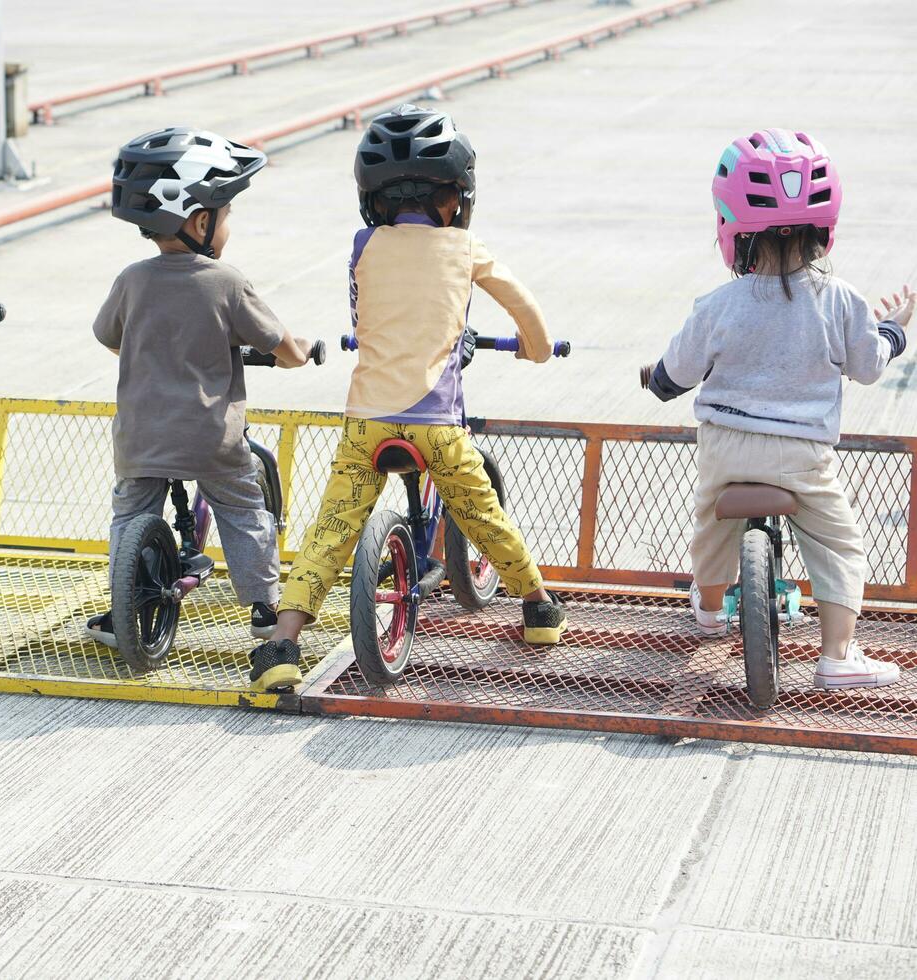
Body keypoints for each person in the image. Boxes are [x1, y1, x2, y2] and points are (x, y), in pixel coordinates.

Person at [249, 104, 567, 691]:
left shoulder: (362, 245)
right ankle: (539, 608)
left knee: (331, 530)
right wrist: (535, 349)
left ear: (373, 200)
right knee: (481, 513)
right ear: (459, 197)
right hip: (436, 425)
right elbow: (529, 315)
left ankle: (283, 646)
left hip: (366, 420)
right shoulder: (466, 248)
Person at [644, 128, 913, 689]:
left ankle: (711, 608)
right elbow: (868, 366)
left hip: (725, 448)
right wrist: (892, 330)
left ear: (732, 230)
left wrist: (659, 381)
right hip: (802, 454)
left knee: (709, 524)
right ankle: (837, 654)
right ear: (824, 231)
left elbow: (677, 372)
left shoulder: (718, 304)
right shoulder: (841, 300)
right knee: (838, 543)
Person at [86, 127, 313, 670]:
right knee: (242, 509)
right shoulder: (226, 282)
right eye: (226, 215)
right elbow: (278, 344)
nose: (227, 227)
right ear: (198, 220)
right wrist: (299, 353)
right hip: (210, 438)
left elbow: (108, 336)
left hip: (141, 436)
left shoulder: (132, 279)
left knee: (131, 512)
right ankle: (262, 605)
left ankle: (123, 607)